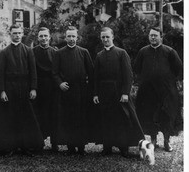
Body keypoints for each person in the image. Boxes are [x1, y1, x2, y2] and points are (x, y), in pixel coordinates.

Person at [93, 27, 144, 157]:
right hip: (104, 92)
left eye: (107, 37)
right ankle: (107, 147)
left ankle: (123, 147)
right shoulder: (99, 56)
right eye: (103, 37)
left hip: (119, 92)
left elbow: (128, 75)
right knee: (106, 119)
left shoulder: (121, 53)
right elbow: (96, 77)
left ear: (112, 37)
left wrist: (125, 92)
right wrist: (95, 94)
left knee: (122, 119)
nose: (105, 39)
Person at [134, 27, 183, 152]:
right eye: (151, 35)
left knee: (167, 116)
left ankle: (167, 142)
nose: (153, 38)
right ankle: (153, 141)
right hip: (148, 91)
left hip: (166, 91)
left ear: (161, 37)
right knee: (150, 115)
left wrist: (170, 81)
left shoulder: (170, 52)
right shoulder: (143, 52)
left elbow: (178, 68)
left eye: (155, 35)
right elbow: (137, 68)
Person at [0, 24, 44, 156]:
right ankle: (10, 147)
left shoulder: (28, 50)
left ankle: (27, 147)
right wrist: (2, 90)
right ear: (10, 34)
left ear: (22, 33)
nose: (17, 35)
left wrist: (33, 88)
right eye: (14, 33)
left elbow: (33, 71)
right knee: (10, 118)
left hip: (25, 88)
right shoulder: (4, 52)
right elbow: (0, 73)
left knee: (26, 118)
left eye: (19, 33)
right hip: (10, 88)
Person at [52, 26, 94, 155]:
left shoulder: (84, 52)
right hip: (66, 91)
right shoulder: (59, 53)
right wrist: (60, 83)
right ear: (65, 37)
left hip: (81, 91)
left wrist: (89, 88)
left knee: (81, 118)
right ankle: (70, 146)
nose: (71, 39)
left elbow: (91, 72)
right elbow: (54, 73)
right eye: (69, 36)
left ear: (77, 37)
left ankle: (81, 146)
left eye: (73, 36)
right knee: (68, 118)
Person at [32, 27, 58, 152]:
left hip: (52, 88)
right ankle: (39, 142)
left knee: (53, 114)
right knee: (39, 114)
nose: (43, 38)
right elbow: (31, 72)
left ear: (49, 37)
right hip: (38, 87)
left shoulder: (55, 52)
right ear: (38, 38)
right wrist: (33, 88)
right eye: (41, 36)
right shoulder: (32, 52)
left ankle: (55, 143)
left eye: (45, 36)